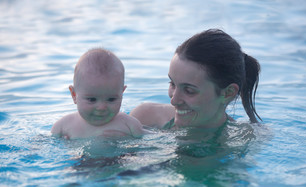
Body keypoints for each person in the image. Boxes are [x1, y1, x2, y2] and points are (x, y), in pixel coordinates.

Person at [130, 29, 261, 131]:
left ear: (228, 93)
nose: (174, 100)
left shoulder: (241, 140)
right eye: (172, 84)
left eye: (189, 90)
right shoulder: (144, 118)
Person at [51, 48, 145, 139]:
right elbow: (44, 143)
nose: (101, 107)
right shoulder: (63, 126)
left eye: (111, 99)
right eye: (92, 99)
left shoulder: (129, 125)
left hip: (123, 155)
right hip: (80, 156)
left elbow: (153, 141)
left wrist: (129, 142)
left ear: (122, 93)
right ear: (74, 95)